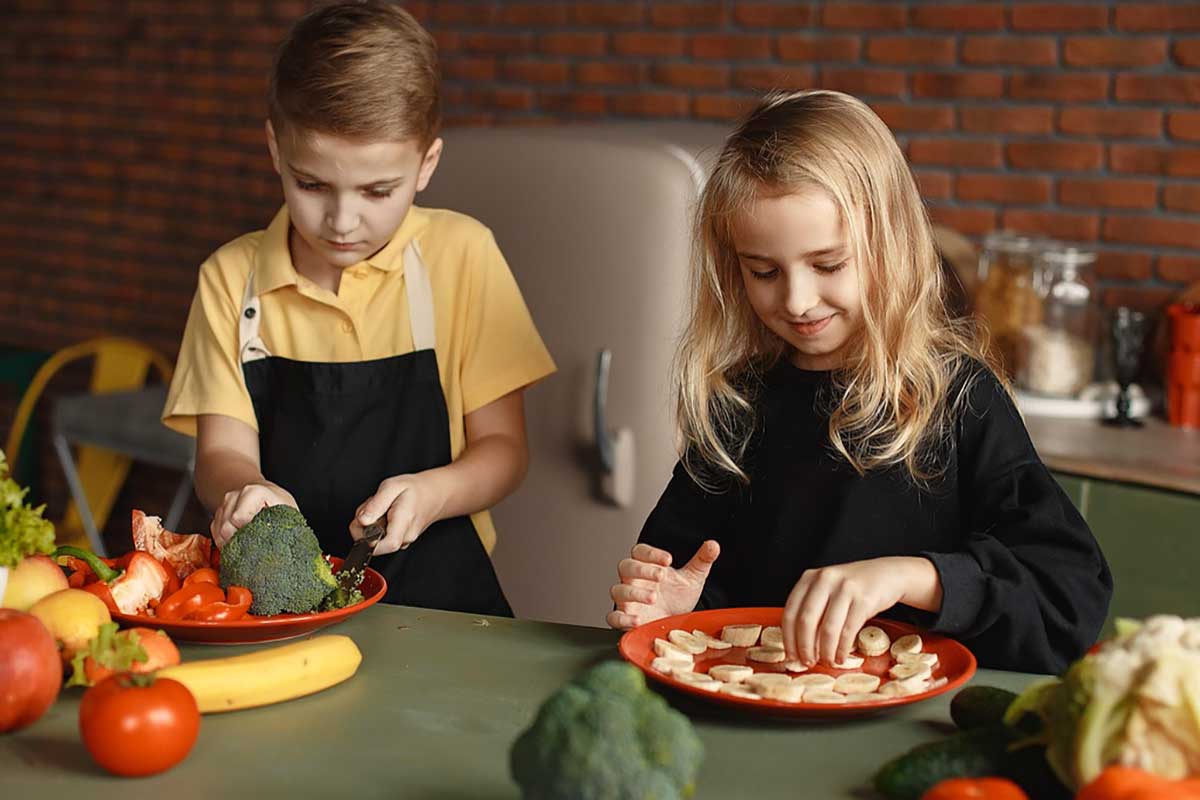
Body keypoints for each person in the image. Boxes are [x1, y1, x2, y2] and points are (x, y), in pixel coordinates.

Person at [606, 90, 1111, 673]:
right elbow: (694, 598)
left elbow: (1068, 597)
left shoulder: (960, 398)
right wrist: (671, 609)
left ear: (889, 243)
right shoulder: (736, 407)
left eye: (828, 265)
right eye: (763, 271)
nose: (796, 300)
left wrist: (916, 576)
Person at [163, 1, 554, 615]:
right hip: (277, 606)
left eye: (377, 191)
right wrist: (247, 489)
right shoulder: (229, 279)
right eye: (311, 185)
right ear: (275, 150)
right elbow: (217, 455)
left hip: (442, 596)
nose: (342, 222)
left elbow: (505, 449)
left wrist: (433, 492)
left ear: (426, 164)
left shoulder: (463, 256)